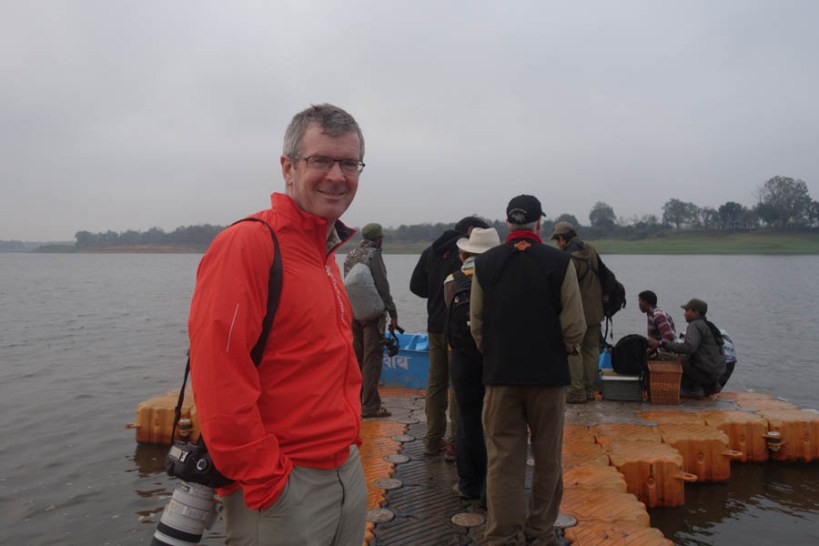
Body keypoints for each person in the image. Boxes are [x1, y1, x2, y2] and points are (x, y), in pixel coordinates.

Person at [188, 104, 367, 545]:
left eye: (349, 163)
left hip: (344, 469)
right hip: (285, 488)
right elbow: (219, 380)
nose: (337, 176)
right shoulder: (248, 245)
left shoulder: (323, 254)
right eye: (321, 160)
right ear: (288, 168)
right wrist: (268, 482)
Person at [471, 195, 586, 546]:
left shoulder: (485, 264)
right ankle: (539, 532)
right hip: (548, 378)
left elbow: (477, 324)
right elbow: (575, 326)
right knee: (548, 457)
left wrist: (496, 354)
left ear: (507, 224)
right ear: (539, 225)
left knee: (503, 460)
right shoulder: (559, 261)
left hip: (500, 376)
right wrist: (558, 351)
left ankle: (503, 535)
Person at [410, 215, 490, 458]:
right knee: (460, 384)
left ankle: (432, 440)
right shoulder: (469, 254)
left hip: (436, 325)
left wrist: (436, 296)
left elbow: (416, 286)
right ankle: (456, 442)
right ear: (470, 231)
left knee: (436, 382)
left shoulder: (431, 251)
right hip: (462, 329)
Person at [442, 227, 501, 503]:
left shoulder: (451, 280)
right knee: (497, 420)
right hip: (494, 355)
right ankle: (494, 485)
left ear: (466, 251)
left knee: (467, 419)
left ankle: (468, 484)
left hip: (462, 357)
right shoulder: (500, 276)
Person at [344, 222, 398, 418]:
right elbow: (382, 286)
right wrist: (392, 313)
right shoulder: (374, 255)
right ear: (378, 238)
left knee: (357, 358)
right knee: (372, 359)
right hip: (373, 316)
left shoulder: (350, 255)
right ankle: (370, 406)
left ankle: (355, 402)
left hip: (353, 314)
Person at [551, 221, 603, 404]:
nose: (557, 244)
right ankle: (590, 390)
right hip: (596, 310)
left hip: (578, 311)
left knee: (574, 350)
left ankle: (576, 391)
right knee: (592, 350)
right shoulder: (591, 250)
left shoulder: (568, 258)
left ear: (563, 239)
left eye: (557, 240)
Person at [647, 298, 726, 398]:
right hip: (716, 373)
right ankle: (703, 386)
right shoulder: (709, 325)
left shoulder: (695, 325)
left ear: (696, 312)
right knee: (681, 358)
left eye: (687, 311)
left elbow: (689, 348)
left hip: (705, 372)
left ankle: (692, 389)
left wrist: (661, 343)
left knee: (660, 357)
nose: (684, 314)